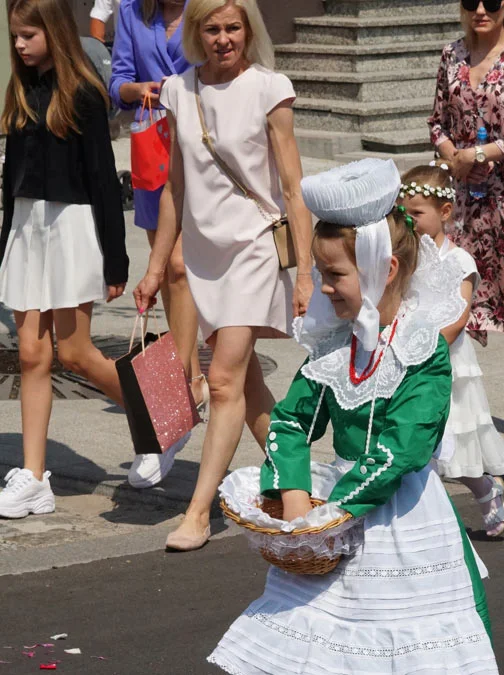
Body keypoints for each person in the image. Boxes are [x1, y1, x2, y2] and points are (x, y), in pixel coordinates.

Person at [207, 159, 499, 675]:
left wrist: (332, 514)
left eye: (335, 274)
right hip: (329, 521)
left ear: (381, 269)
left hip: (399, 518)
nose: (323, 287)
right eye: (321, 273)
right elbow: (292, 421)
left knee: (403, 648)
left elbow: (402, 447)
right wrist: (297, 503)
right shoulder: (334, 348)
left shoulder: (419, 347)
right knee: (320, 647)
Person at [132, 0, 313, 551]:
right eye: (212, 28)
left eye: (233, 27)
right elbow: (174, 190)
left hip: (257, 248)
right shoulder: (178, 91)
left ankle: (198, 512)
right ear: (195, 33)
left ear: (248, 30)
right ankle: (298, 489)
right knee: (250, 384)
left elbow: (291, 188)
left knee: (223, 381)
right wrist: (156, 265)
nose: (224, 38)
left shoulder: (269, 87)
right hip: (207, 257)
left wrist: (304, 271)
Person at [0, 0, 129, 519]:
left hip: (72, 229)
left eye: (27, 35)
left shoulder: (83, 95)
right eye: (14, 36)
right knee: (32, 355)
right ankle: (33, 478)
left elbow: (103, 180)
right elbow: (12, 179)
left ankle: (163, 421)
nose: (18, 45)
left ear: (53, 31)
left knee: (74, 354)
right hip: (28, 230)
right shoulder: (21, 90)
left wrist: (116, 261)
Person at [427, 0, 504, 446]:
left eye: (492, 1)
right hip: (462, 196)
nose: (481, 9)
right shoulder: (451, 55)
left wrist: (480, 154)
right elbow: (437, 123)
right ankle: (448, 406)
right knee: (452, 295)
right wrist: (452, 158)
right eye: (470, 1)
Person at [110, 0, 203, 488]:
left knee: (183, 268)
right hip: (154, 146)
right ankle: (184, 389)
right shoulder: (131, 12)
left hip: (202, 144)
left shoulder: (206, 9)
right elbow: (117, 81)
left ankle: (182, 395)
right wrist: (135, 88)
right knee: (169, 270)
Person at [399, 163, 504, 538]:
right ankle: (430, 525)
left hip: (443, 358)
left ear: (444, 213)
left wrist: (430, 349)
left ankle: (485, 489)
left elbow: (459, 314)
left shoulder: (459, 260)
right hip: (404, 354)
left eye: (416, 213)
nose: (409, 220)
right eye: (404, 212)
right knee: (419, 446)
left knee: (455, 446)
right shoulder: (402, 254)